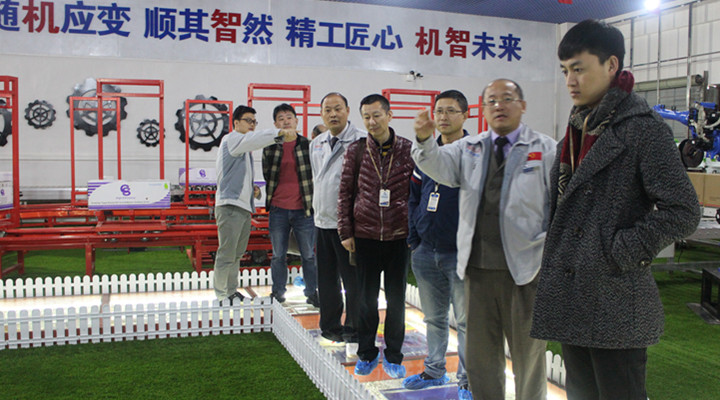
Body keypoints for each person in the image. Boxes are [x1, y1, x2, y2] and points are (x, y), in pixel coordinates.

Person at [530, 20, 701, 400]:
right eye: (565, 71)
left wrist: (619, 250)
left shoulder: (643, 129)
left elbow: (683, 210)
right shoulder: (577, 128)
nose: (570, 80)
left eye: (578, 69)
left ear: (611, 65)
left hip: (614, 297)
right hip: (574, 294)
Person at [412, 79, 556, 400]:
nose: (499, 106)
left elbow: (559, 206)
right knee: (481, 360)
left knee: (528, 358)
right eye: (491, 101)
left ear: (523, 106)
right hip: (477, 272)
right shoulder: (469, 148)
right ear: (483, 109)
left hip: (526, 273)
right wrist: (423, 139)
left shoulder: (545, 149)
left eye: (507, 99)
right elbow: (436, 165)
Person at [338, 94, 415, 379]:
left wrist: (413, 230)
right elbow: (345, 192)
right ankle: (367, 353)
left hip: (398, 237)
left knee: (396, 300)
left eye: (376, 115)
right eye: (366, 117)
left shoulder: (408, 149)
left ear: (389, 115)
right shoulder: (356, 150)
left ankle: (393, 355)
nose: (371, 122)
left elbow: (415, 193)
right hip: (365, 236)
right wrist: (345, 231)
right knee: (365, 300)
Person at [402, 90, 471, 399]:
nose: (443, 116)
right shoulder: (425, 153)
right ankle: (433, 370)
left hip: (460, 253)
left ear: (465, 115)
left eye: (451, 111)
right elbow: (414, 197)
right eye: (439, 111)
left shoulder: (473, 153)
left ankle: (467, 381)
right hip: (425, 250)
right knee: (433, 318)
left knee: (466, 322)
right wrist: (414, 239)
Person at [214, 105, 297, 303]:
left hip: (242, 208)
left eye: (254, 121)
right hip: (230, 207)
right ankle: (222, 294)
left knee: (236, 254)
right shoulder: (232, 139)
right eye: (248, 121)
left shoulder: (245, 149)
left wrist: (253, 191)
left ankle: (230, 291)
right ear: (236, 123)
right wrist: (278, 133)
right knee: (227, 253)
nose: (252, 125)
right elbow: (255, 139)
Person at [309, 92, 365, 349]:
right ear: (321, 113)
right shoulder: (317, 143)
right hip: (322, 222)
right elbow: (318, 179)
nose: (333, 114)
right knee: (327, 280)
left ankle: (354, 328)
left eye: (338, 109)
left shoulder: (361, 140)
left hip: (348, 225)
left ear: (347, 111)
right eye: (327, 110)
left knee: (353, 281)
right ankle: (330, 326)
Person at [262, 103, 318, 306]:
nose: (285, 121)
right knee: (278, 255)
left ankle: (312, 292)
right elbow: (267, 175)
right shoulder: (270, 146)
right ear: (276, 124)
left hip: (304, 209)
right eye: (281, 118)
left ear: (296, 120)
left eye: (289, 117)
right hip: (278, 208)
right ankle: (278, 293)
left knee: (309, 255)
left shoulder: (308, 145)